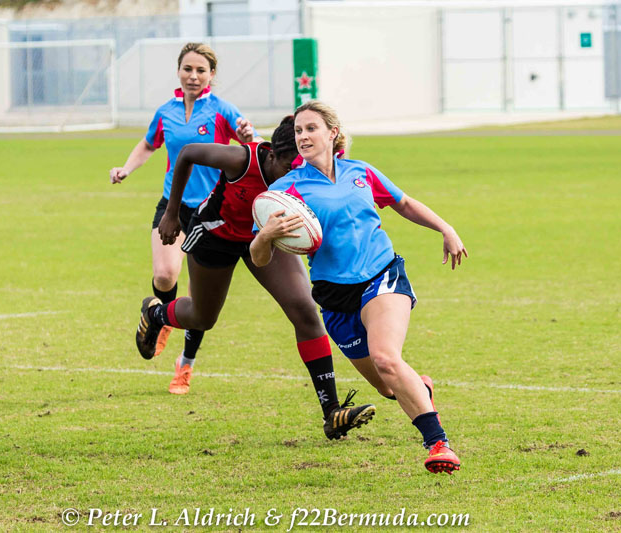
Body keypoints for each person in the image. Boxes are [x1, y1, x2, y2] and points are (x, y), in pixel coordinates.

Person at [249, 101, 468, 474]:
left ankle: (438, 444)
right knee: (388, 386)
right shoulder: (285, 190)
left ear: (332, 133)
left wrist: (445, 229)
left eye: (311, 128)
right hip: (335, 297)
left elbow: (403, 203)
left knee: (386, 357)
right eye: (299, 130)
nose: (303, 136)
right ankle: (421, 389)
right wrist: (266, 235)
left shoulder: (360, 172)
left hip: (381, 275)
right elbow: (259, 258)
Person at [135, 115, 376, 439]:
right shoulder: (241, 159)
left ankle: (332, 411)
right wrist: (172, 212)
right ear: (272, 155)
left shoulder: (302, 172)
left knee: (305, 311)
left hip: (265, 237)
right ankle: (155, 314)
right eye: (288, 168)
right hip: (215, 236)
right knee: (203, 318)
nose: (294, 176)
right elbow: (189, 152)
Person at [110, 43, 259, 394]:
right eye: (187, 69)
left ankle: (185, 365)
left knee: (198, 295)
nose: (193, 76)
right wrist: (126, 168)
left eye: (201, 70)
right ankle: (162, 318)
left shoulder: (222, 110)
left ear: (212, 75)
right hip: (173, 206)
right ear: (178, 71)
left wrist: (250, 137)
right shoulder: (166, 111)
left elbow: (254, 145)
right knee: (164, 275)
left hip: (211, 213)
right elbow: (149, 144)